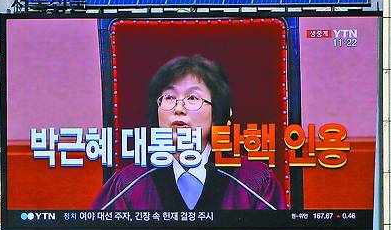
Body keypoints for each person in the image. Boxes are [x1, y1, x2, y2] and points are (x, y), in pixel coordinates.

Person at [91, 55, 287, 212]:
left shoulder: (252, 179)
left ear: (218, 113)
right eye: (169, 97)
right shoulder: (130, 182)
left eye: (192, 98)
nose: (179, 108)